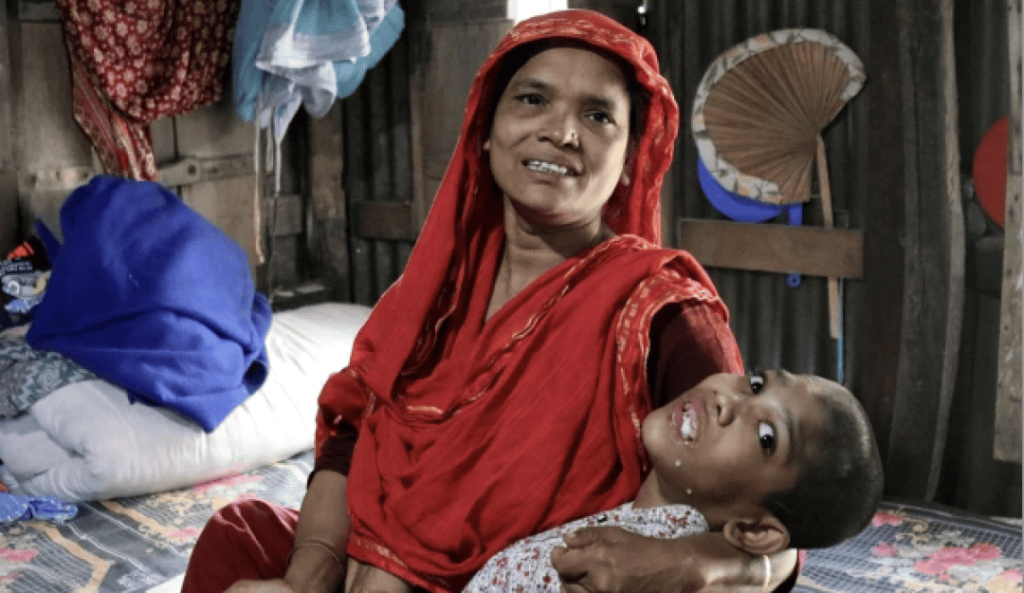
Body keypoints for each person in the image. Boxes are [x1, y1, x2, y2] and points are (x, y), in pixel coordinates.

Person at [181, 9, 804, 593]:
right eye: (532, 99)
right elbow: (351, 431)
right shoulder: (429, 296)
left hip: (521, 581)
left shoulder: (659, 311)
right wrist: (309, 571)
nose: (560, 132)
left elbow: (773, 513)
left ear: (629, 161)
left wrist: (697, 561)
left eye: (597, 116)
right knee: (240, 533)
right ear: (484, 132)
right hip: (368, 562)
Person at [463, 369, 884, 593]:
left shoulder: (635, 574)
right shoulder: (640, 528)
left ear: (755, 529)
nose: (728, 400)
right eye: (755, 384)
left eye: (767, 437)